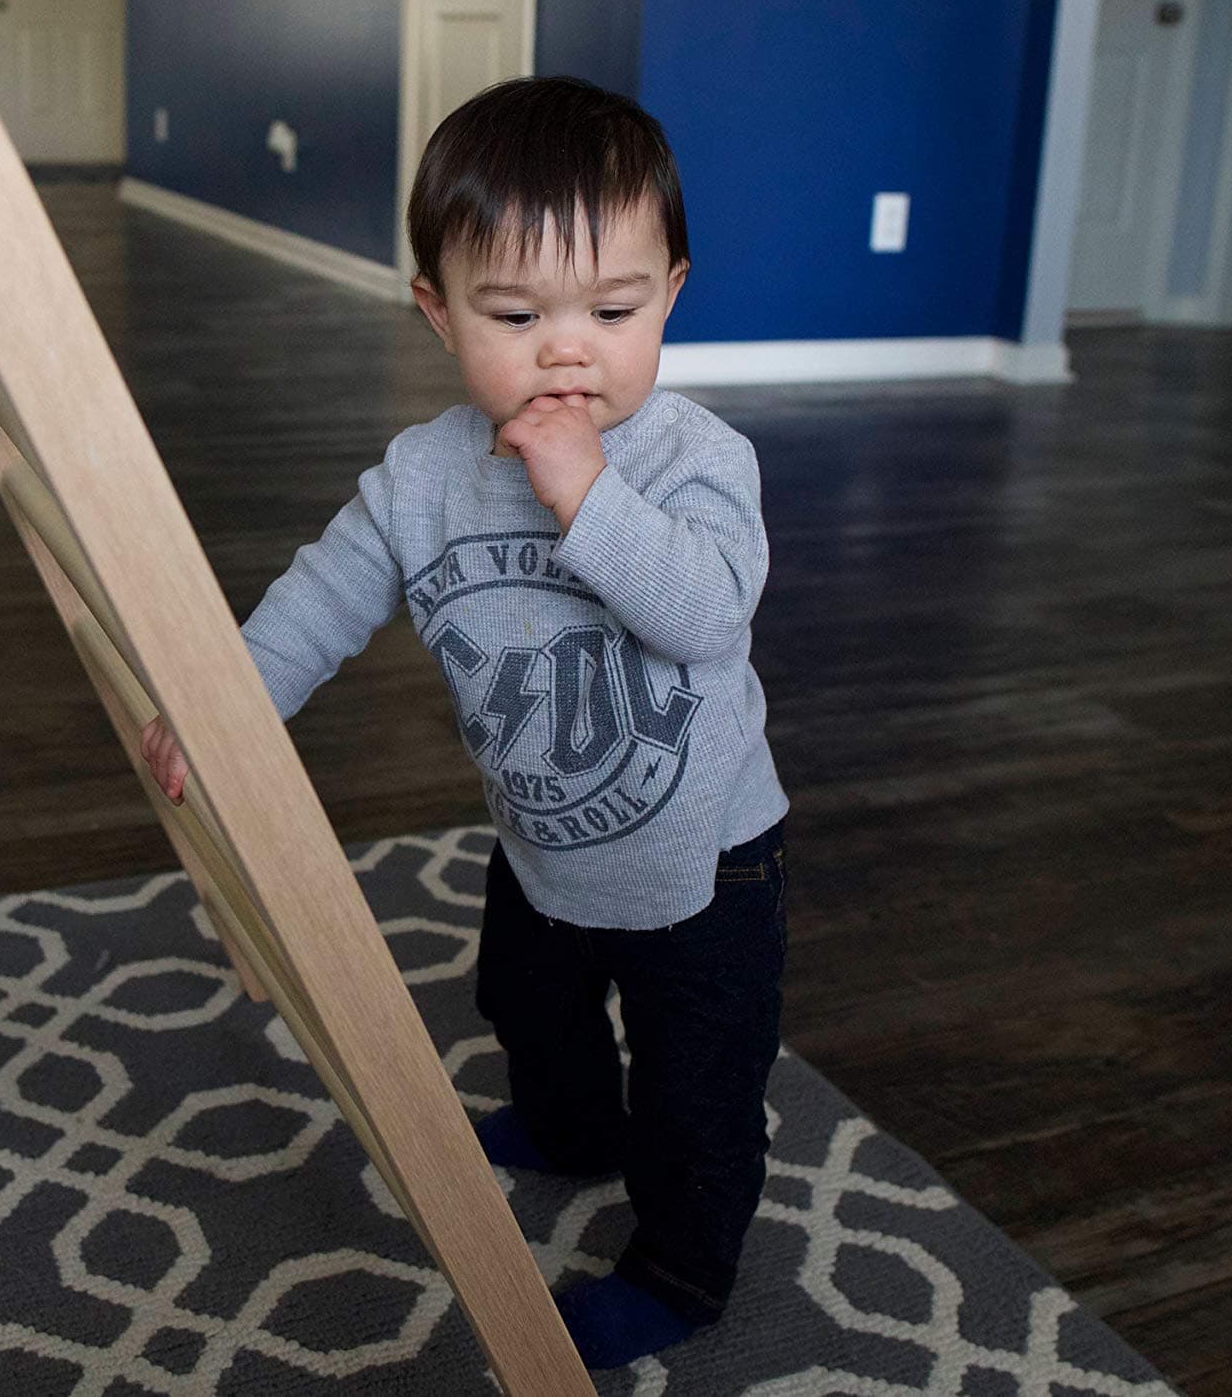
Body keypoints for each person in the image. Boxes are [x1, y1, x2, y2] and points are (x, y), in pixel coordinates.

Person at [140, 75, 789, 1370]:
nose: (569, 350)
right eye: (516, 313)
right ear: (438, 313)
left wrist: (587, 493)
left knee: (696, 1092)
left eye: (613, 311)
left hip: (708, 863)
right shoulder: (425, 478)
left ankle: (679, 1269)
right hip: (546, 838)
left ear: (672, 293)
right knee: (525, 1005)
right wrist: (231, 706)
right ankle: (565, 1130)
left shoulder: (694, 462)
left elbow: (711, 615)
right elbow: (326, 592)